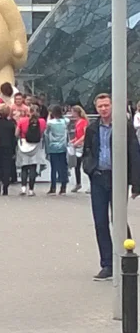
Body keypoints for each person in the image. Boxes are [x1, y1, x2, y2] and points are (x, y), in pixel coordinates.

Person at [83, 93, 140, 281]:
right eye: (100, 106)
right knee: (100, 222)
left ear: (112, 106)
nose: (104, 109)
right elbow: (88, 151)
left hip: (118, 178)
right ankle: (107, 264)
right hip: (99, 177)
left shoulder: (124, 127)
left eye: (106, 105)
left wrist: (136, 183)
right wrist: (89, 168)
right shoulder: (92, 129)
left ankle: (127, 259)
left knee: (119, 220)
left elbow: (134, 153)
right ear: (96, 108)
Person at [16, 105, 46, 196]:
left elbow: (16, 133)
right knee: (33, 167)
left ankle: (23, 188)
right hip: (36, 145)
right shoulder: (42, 121)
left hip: (24, 144)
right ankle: (31, 190)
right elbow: (42, 132)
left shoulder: (22, 120)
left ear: (29, 111)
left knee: (24, 167)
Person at [0, 104, 16, 196]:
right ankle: (5, 188)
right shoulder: (11, 124)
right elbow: (13, 138)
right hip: (8, 147)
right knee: (6, 167)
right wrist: (14, 150)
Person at [45, 105, 69, 195]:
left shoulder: (50, 123)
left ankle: (53, 187)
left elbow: (46, 133)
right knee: (63, 167)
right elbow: (67, 120)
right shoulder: (65, 121)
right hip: (63, 146)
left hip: (53, 146)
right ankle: (63, 187)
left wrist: (49, 115)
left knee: (54, 168)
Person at [70, 106, 89, 192]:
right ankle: (78, 183)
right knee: (76, 165)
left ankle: (90, 185)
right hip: (78, 145)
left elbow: (85, 134)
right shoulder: (77, 122)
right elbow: (78, 134)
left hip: (82, 146)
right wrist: (73, 141)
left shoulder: (83, 122)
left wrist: (78, 141)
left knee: (85, 165)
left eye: (73, 112)